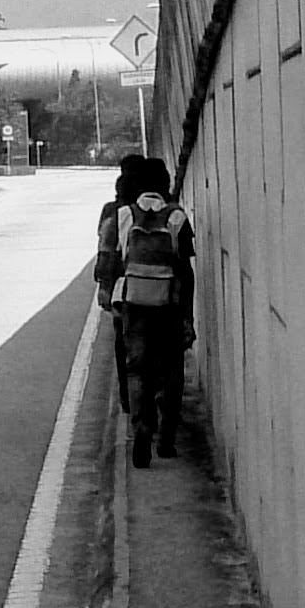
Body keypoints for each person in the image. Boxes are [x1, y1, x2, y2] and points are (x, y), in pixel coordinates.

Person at [98, 156, 196, 468]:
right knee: (171, 371)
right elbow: (186, 271)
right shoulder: (177, 217)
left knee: (137, 369)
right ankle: (166, 440)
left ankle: (141, 425)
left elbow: (110, 262)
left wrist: (109, 294)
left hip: (134, 304)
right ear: (165, 185)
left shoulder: (123, 215)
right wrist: (187, 316)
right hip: (169, 305)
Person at [96, 155, 152, 409]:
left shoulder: (112, 212)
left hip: (125, 290)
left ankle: (128, 399)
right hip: (160, 288)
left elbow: (105, 253)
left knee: (124, 344)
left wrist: (104, 287)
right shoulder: (161, 209)